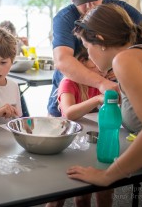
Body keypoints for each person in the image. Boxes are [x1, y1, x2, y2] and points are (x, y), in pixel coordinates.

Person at [67, 3, 142, 207]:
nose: (88, 54)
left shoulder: (124, 60)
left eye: (87, 46)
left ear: (99, 40)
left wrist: (108, 175)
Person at [47, 0, 142, 117]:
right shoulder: (64, 18)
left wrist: (120, 65)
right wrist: (101, 82)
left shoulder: (118, 10)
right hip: (70, 101)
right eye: (82, 1)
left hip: (107, 102)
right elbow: (62, 61)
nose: (89, 6)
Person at [48, 47, 113, 207]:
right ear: (81, 63)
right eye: (96, 67)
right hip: (64, 142)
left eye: (105, 68)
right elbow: (68, 113)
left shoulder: (99, 83)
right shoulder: (68, 82)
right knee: (59, 193)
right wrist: (97, 99)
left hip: (86, 142)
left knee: (97, 192)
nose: (102, 72)